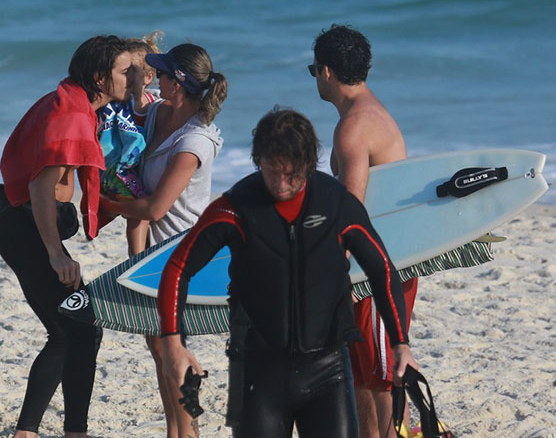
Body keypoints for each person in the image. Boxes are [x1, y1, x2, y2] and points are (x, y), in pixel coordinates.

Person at [158, 108, 417, 438]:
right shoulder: (235, 207)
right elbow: (178, 268)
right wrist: (173, 344)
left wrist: (401, 344)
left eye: (291, 174)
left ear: (308, 165)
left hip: (328, 370)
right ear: (259, 161)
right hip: (257, 372)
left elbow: (381, 269)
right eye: (271, 171)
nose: (280, 184)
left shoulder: (337, 204)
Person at [0, 35, 134, 437]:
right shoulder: (71, 114)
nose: (134, 76)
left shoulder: (71, 101)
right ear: (100, 77)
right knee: (81, 327)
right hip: (27, 230)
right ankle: (71, 432)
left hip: (22, 226)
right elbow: (40, 187)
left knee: (68, 330)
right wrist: (56, 254)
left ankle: (32, 432)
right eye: (126, 71)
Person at [100, 42, 227, 438]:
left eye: (163, 72)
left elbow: (155, 208)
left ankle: (187, 431)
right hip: (147, 252)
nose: (157, 76)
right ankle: (178, 430)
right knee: (158, 348)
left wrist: (107, 202)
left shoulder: (195, 142)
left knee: (172, 348)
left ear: (177, 83)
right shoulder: (160, 112)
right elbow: (136, 109)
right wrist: (135, 73)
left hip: (178, 254)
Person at [310, 24, 417, 438]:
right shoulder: (370, 115)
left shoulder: (355, 125)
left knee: (378, 376)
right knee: (363, 373)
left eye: (313, 70)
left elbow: (349, 213)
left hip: (377, 272)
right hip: (382, 264)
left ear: (327, 72)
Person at [98, 32, 162, 256]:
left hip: (147, 169)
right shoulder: (116, 105)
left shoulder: (155, 105)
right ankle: (136, 257)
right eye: (122, 71)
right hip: (122, 170)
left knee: (146, 214)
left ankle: (144, 255)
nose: (126, 77)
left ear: (148, 77)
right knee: (139, 210)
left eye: (131, 71)